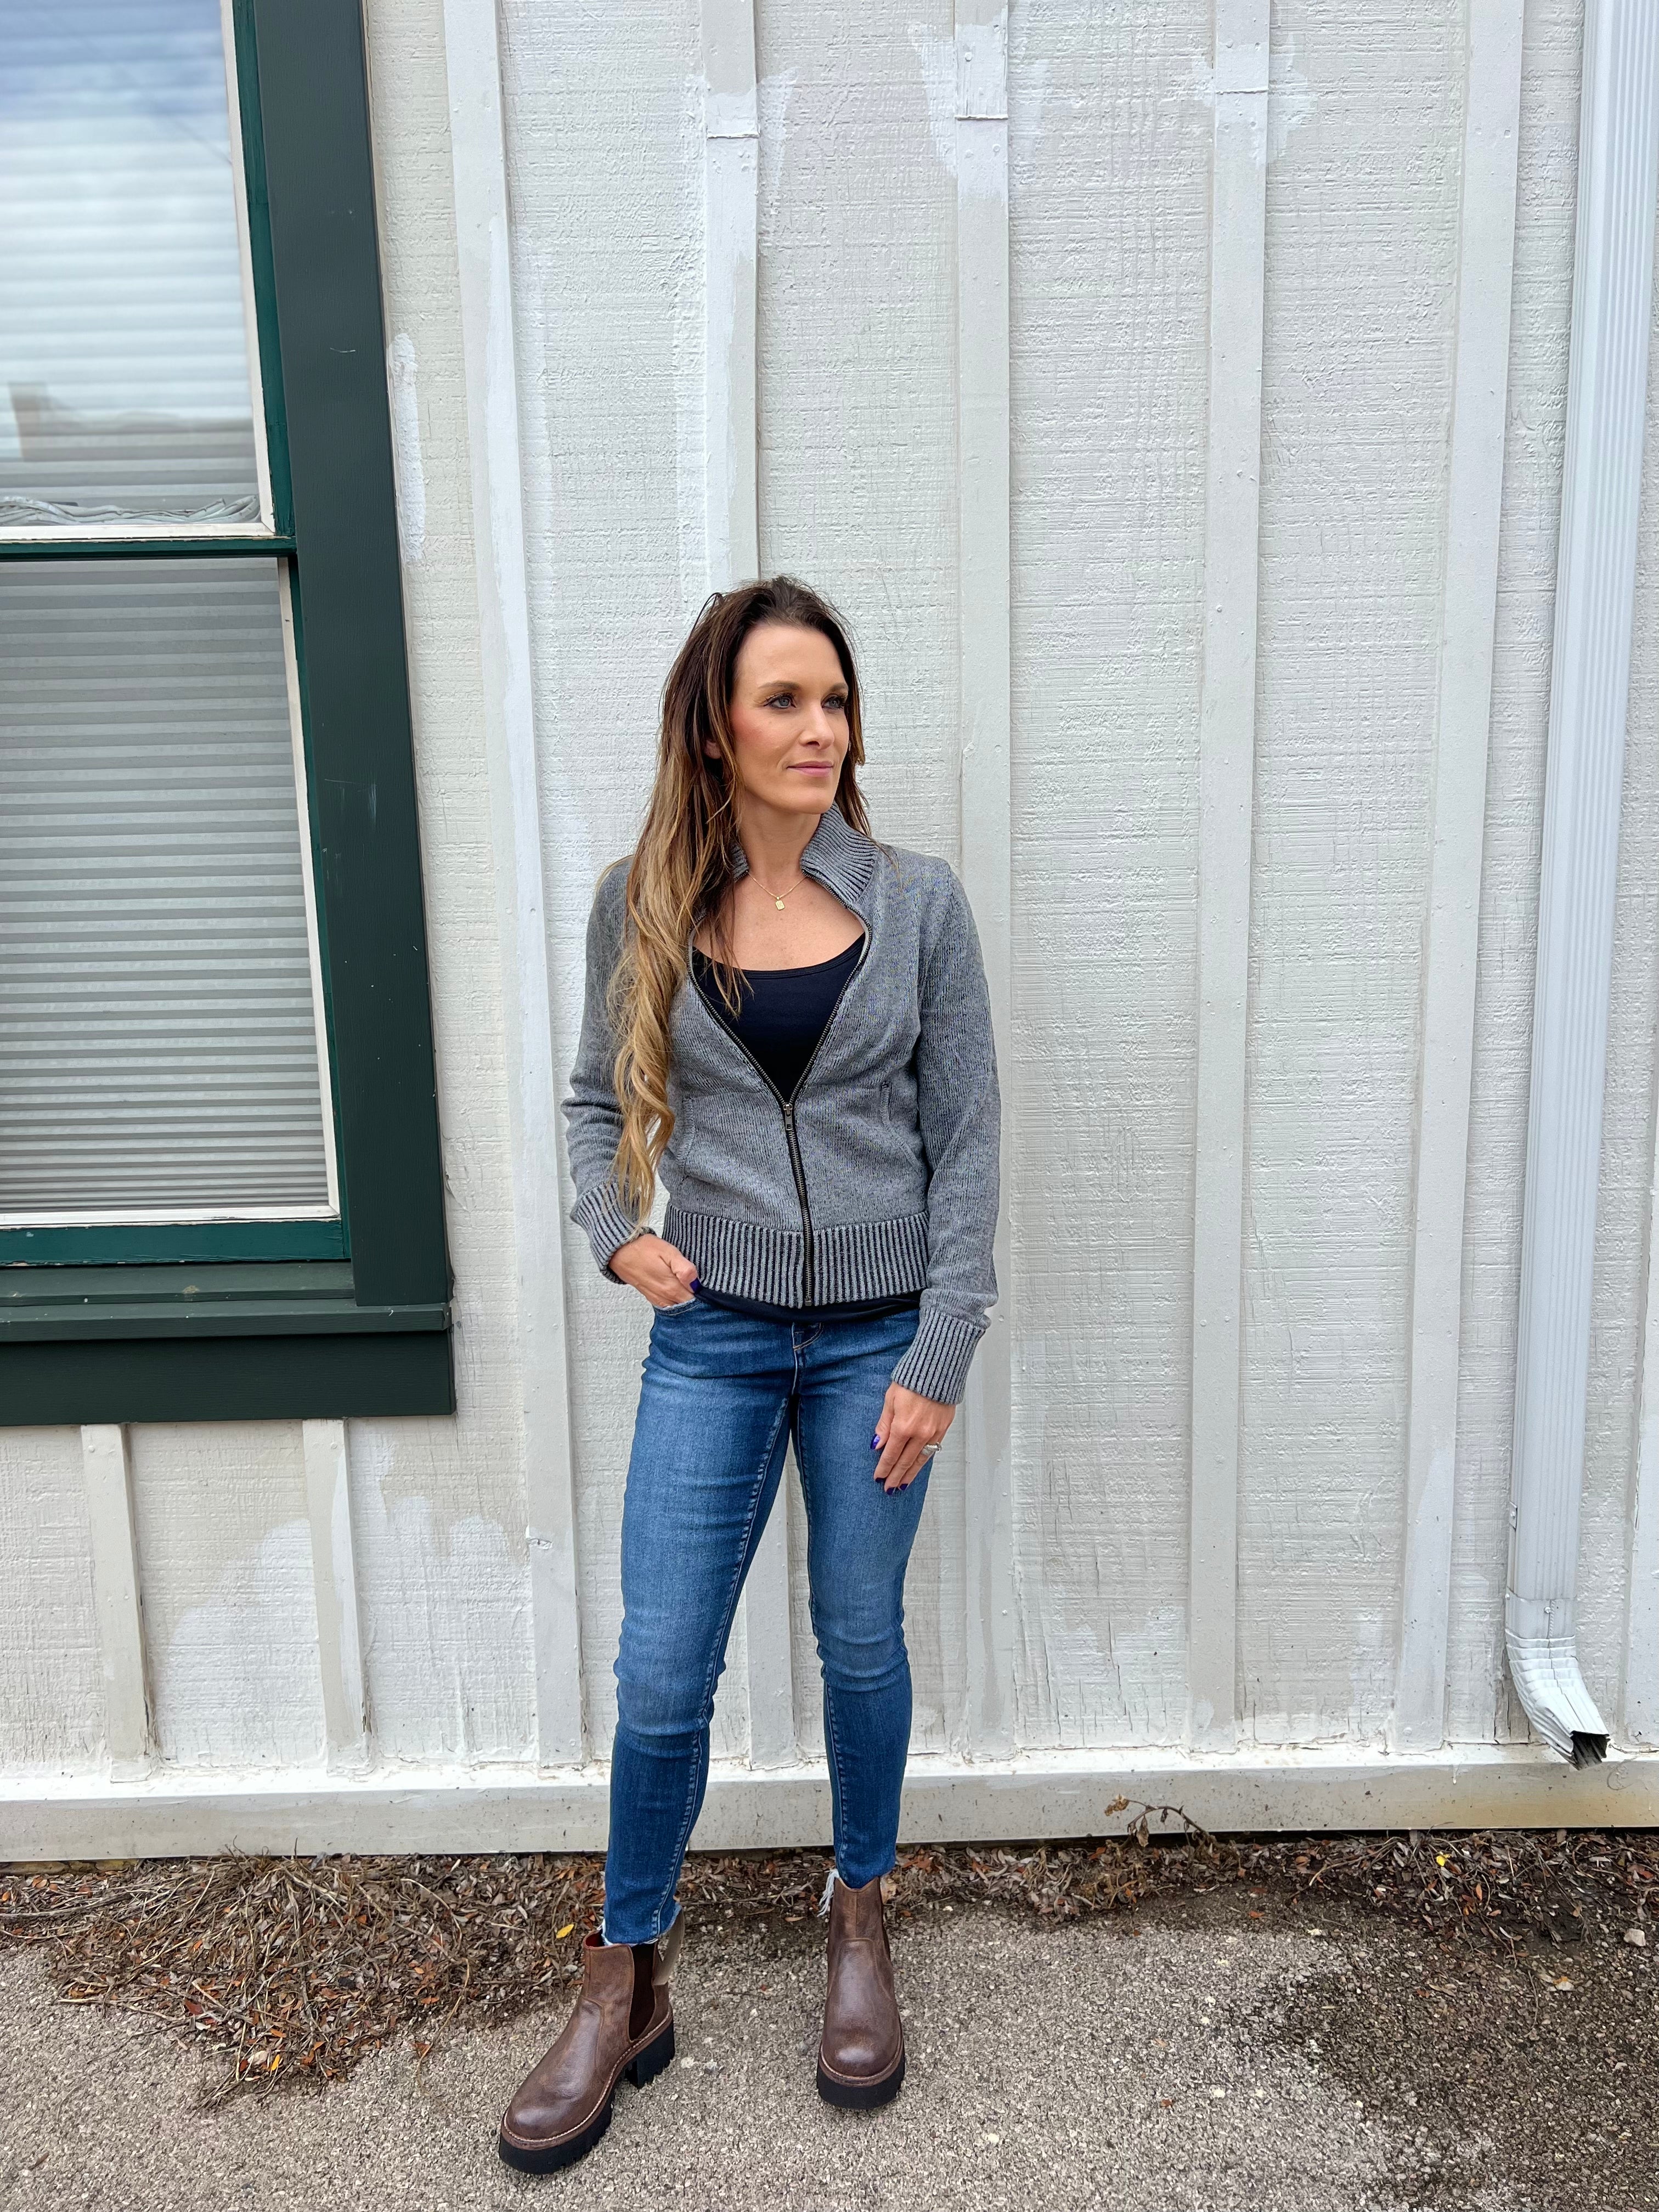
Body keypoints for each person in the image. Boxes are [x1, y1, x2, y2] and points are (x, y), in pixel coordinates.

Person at [496, 577, 1000, 2172]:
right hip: (712, 1338)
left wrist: (940, 1351)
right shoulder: (642, 900)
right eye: (784, 699)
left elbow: (968, 1145)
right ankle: (625, 1975)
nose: (818, 728)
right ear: (715, 727)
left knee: (859, 1640)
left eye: (835, 700)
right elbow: (596, 1101)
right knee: (663, 1671)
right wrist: (617, 1238)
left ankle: (861, 1913)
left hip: (877, 1340)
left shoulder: (919, 906)